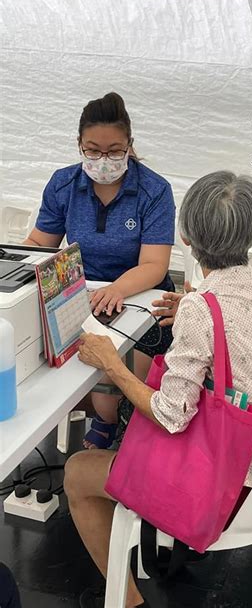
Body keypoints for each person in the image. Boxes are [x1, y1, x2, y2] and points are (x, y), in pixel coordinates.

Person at [64, 171, 252, 608]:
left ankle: (128, 600)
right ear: (251, 233)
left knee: (78, 472)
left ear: (187, 238)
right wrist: (196, 309)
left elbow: (171, 415)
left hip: (229, 490)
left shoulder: (202, 308)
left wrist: (111, 365)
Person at [24, 92, 176, 448]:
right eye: (93, 150)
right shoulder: (64, 185)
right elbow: (39, 245)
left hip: (142, 297)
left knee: (130, 378)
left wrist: (118, 290)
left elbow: (154, 265)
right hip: (80, 298)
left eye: (114, 151)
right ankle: (106, 416)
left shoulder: (154, 191)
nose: (103, 160)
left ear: (130, 146)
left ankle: (120, 423)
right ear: (79, 145)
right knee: (46, 370)